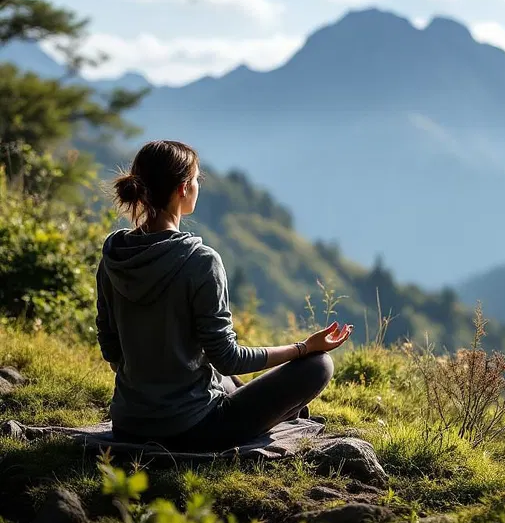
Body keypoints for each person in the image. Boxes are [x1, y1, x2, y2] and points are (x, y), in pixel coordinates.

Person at [95, 139, 352, 452]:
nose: (198, 186)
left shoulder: (115, 254)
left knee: (224, 380)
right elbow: (228, 358)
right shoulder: (200, 261)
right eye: (196, 179)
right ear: (182, 189)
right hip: (190, 430)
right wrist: (303, 348)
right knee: (319, 366)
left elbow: (111, 348)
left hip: (128, 423)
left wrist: (152, 386)